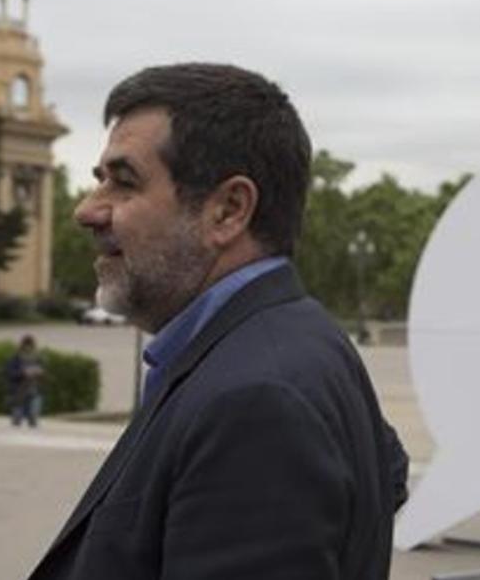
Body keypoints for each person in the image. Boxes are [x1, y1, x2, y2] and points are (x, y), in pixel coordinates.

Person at [28, 64, 408, 579]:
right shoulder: (288, 337)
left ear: (228, 210)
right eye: (99, 181)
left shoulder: (257, 399)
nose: (87, 210)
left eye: (123, 182)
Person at [5, 335, 46, 428]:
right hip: (19, 391)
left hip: (34, 390)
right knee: (16, 420)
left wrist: (39, 372)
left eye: (30, 345)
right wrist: (23, 373)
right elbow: (9, 373)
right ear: (22, 346)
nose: (28, 348)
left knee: (33, 418)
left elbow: (43, 373)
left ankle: (32, 429)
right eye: (26, 345)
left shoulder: (38, 358)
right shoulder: (15, 358)